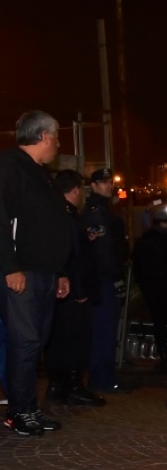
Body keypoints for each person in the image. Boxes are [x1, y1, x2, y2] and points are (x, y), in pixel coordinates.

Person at [0, 111, 71, 435]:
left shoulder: (41, 173)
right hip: (22, 273)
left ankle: (29, 407)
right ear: (44, 136)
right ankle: (19, 412)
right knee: (25, 342)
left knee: (36, 343)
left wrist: (60, 271)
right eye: (56, 137)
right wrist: (10, 267)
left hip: (45, 272)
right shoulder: (10, 166)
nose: (58, 144)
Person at [44, 170, 106, 407]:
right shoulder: (68, 215)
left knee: (58, 338)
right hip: (72, 290)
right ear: (76, 190)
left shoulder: (54, 212)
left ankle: (57, 384)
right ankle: (73, 386)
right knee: (76, 339)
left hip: (59, 289)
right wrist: (80, 292)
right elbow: (73, 257)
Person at [82, 168, 128, 392]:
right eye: (103, 182)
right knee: (104, 329)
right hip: (104, 279)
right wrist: (115, 276)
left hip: (105, 277)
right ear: (93, 186)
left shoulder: (103, 209)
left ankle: (102, 375)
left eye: (110, 182)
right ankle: (102, 377)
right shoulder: (97, 211)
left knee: (105, 329)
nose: (109, 186)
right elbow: (104, 251)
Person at [132, 199, 167, 375]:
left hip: (152, 289)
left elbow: (137, 266)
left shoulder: (145, 240)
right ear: (165, 222)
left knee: (159, 324)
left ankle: (164, 358)